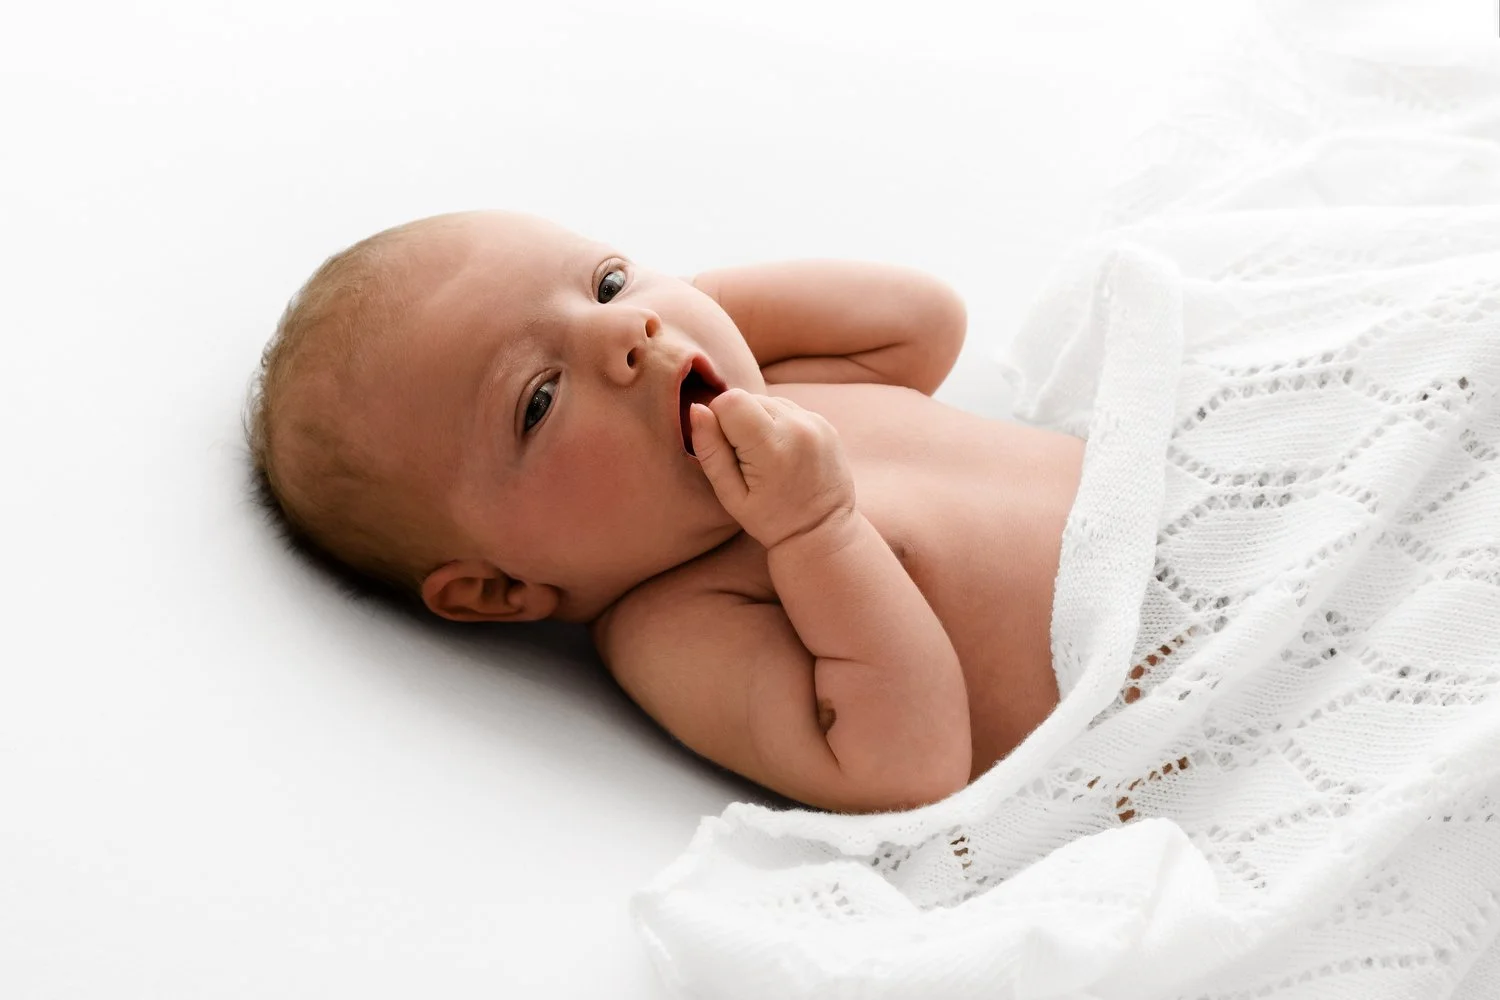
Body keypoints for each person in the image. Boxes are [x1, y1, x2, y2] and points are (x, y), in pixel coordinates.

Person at [247, 209, 1086, 813]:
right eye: (538, 400)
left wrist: (680, 317)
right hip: (1173, 664)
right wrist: (816, 532)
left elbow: (922, 319)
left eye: (606, 280)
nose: (622, 332)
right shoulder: (676, 623)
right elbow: (909, 770)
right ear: (500, 590)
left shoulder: (780, 386)